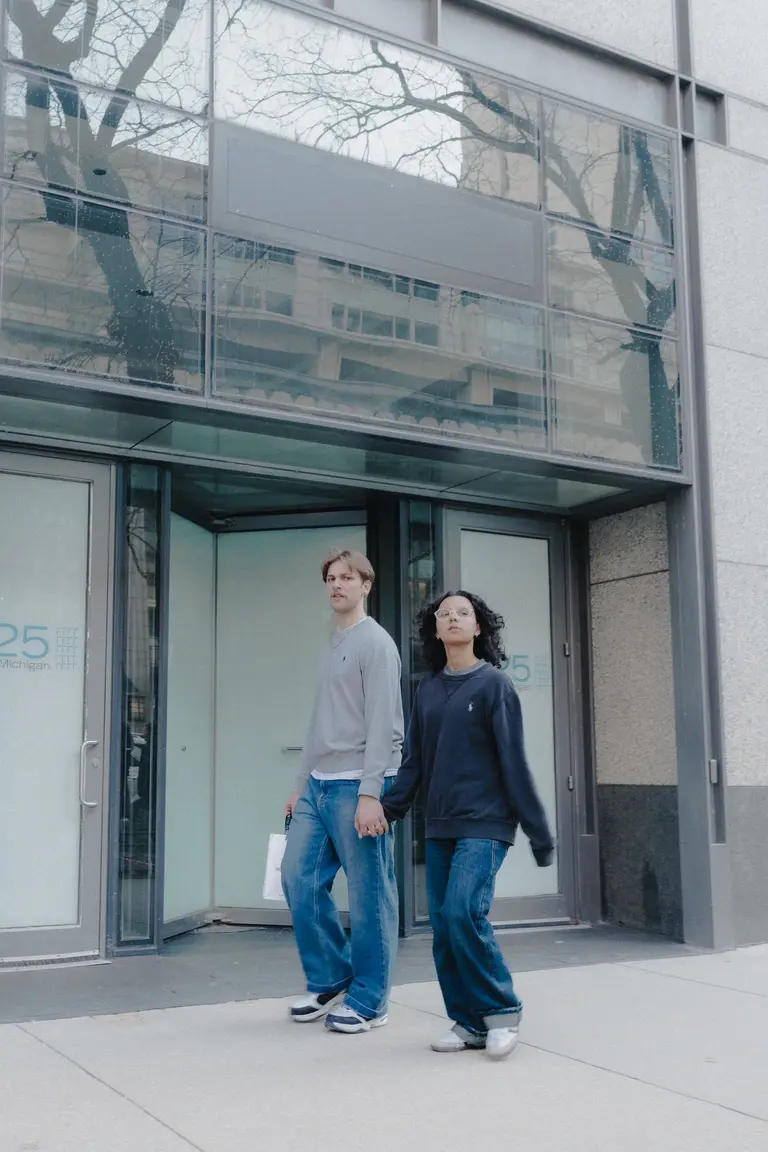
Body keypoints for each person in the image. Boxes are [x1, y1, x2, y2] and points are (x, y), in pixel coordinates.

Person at [378, 590, 554, 1061]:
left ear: (478, 628)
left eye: (463, 613)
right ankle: (469, 1022)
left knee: (463, 913)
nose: (453, 618)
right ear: (435, 630)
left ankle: (501, 1011)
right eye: (444, 614)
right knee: (443, 926)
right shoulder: (427, 690)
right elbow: (413, 762)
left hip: (487, 822)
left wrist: (538, 830)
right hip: (440, 825)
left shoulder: (495, 686)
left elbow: (513, 762)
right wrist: (387, 809)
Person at [281, 547, 403, 1035]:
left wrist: (373, 792)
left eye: (348, 577)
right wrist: (298, 785)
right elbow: (318, 722)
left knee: (370, 894)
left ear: (366, 585)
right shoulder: (332, 641)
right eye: (331, 578)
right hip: (318, 785)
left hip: (359, 784)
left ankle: (371, 998)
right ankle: (331, 978)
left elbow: (386, 726)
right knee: (298, 878)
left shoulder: (376, 644)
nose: (337, 585)